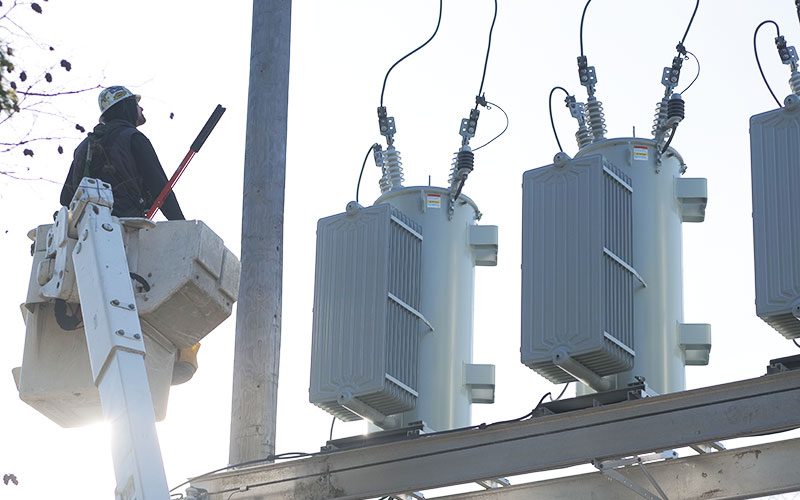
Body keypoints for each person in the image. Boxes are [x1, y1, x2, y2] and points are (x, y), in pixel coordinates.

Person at [60, 85, 184, 220]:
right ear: (126, 107)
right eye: (136, 104)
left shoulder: (84, 146)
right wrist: (183, 226)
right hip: (124, 227)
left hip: (87, 229)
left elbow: (66, 197)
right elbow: (160, 188)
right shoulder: (133, 137)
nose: (141, 108)